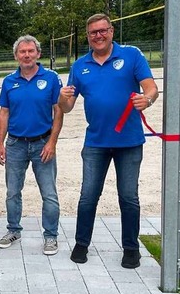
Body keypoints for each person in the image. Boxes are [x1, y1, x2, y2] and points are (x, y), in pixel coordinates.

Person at [58, 14, 159, 269]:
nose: (98, 36)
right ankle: (81, 244)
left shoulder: (131, 56)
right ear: (88, 36)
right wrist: (62, 98)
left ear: (111, 31)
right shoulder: (80, 66)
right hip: (96, 143)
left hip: (129, 141)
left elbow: (151, 87)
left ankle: (131, 248)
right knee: (88, 196)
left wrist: (146, 100)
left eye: (103, 31)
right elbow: (67, 107)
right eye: (93, 33)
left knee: (128, 197)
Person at [0, 35, 63, 255]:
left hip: (43, 142)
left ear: (38, 53)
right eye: (22, 52)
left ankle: (50, 236)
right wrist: (0, 144)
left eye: (30, 51)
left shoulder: (51, 78)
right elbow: (4, 113)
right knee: (12, 192)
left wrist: (52, 142)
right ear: (16, 56)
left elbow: (58, 111)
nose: (26, 55)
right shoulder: (9, 81)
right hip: (15, 144)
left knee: (49, 193)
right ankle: (13, 230)